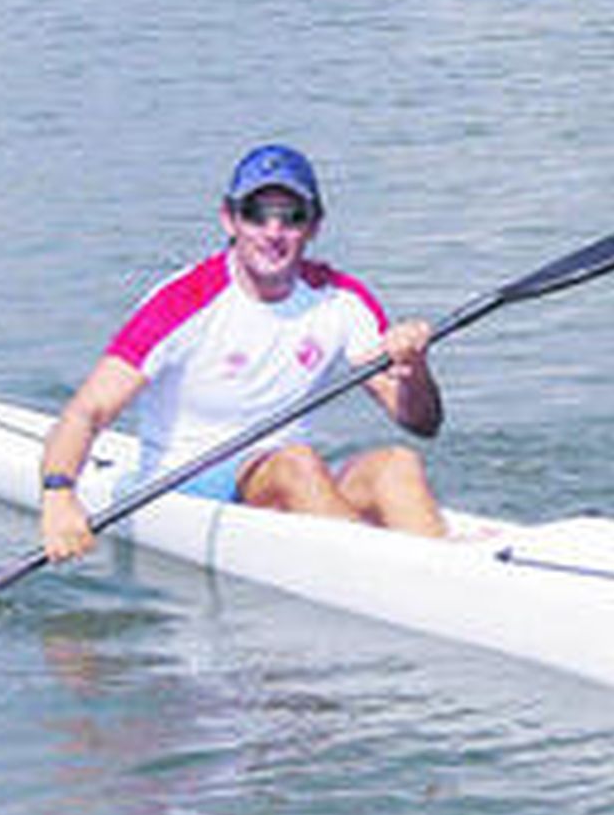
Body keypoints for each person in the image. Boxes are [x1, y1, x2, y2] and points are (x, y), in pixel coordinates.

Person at [39, 144, 446, 564]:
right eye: (256, 214)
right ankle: (379, 575)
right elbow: (86, 412)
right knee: (295, 464)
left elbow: (420, 422)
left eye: (292, 217)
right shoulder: (182, 302)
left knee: (397, 464)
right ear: (230, 220)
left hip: (293, 479)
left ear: (314, 227)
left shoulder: (342, 300)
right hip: (185, 486)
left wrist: (415, 368)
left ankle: (445, 573)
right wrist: (58, 494)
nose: (273, 232)